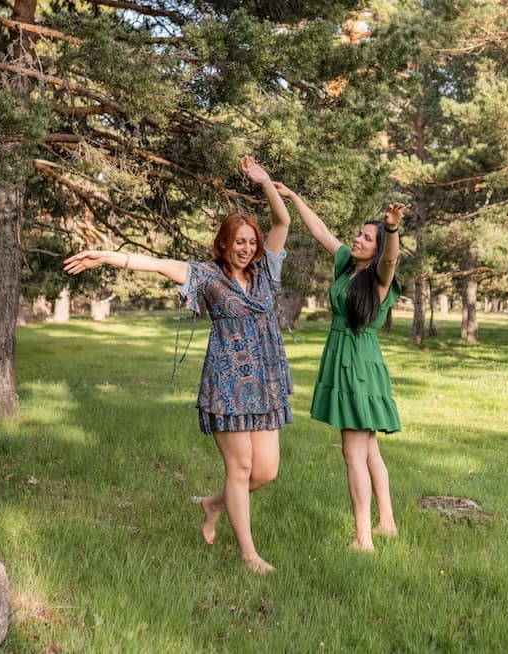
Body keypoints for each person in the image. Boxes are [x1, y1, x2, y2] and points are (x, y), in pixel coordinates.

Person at [63, 156, 292, 574]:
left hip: (266, 382)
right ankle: (248, 554)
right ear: (223, 244)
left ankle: (212, 504)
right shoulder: (205, 276)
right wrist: (105, 255)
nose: (246, 248)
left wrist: (265, 182)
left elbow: (282, 222)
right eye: (238, 241)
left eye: (250, 241)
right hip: (226, 383)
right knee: (240, 469)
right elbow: (152, 263)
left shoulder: (266, 272)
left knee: (266, 472)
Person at [273, 179, 406, 551]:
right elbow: (320, 231)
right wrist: (294, 197)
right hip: (349, 357)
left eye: (367, 238)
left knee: (353, 454)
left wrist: (392, 227)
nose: (358, 240)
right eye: (360, 235)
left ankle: (363, 538)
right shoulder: (348, 263)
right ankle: (387, 523)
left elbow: (392, 257)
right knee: (369, 450)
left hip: (356, 362)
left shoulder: (380, 277)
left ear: (378, 249)